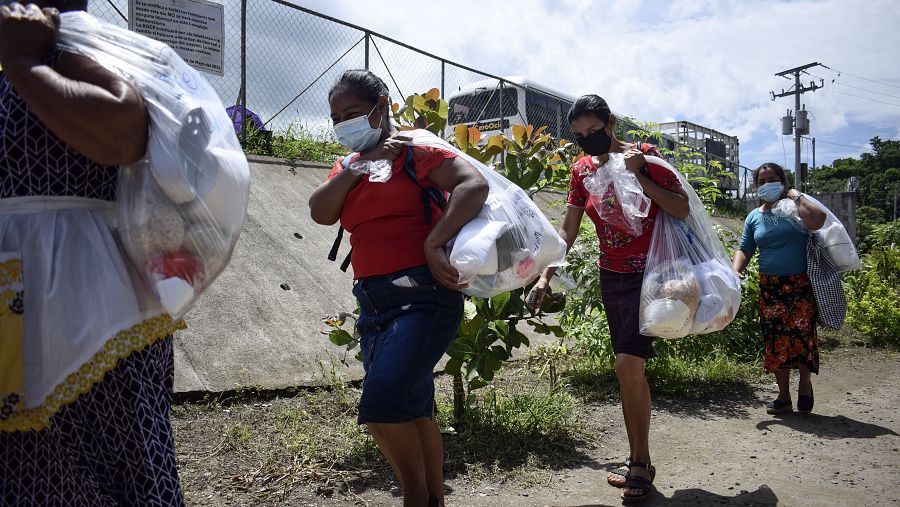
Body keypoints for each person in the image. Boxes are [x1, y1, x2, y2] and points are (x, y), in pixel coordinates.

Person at [0, 1, 186, 505]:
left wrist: (24, 64)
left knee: (110, 458)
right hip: (24, 294)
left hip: (89, 304)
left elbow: (121, 132)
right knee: (29, 463)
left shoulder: (74, 45)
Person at [309, 69, 488, 507]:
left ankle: (415, 498)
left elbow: (473, 184)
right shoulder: (348, 165)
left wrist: (434, 241)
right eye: (336, 117)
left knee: (381, 409)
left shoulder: (417, 151)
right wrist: (359, 166)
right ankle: (433, 500)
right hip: (372, 301)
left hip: (424, 295)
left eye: (352, 113)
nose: (343, 123)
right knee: (415, 408)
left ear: (381, 106)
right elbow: (320, 211)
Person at [527, 94, 689, 503]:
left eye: (594, 132)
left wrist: (642, 177)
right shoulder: (580, 171)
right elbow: (567, 231)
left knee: (626, 364)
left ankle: (638, 463)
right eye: (580, 136)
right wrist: (546, 276)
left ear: (610, 123)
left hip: (657, 273)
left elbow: (681, 208)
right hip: (613, 277)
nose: (588, 141)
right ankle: (642, 460)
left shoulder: (645, 155)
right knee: (629, 370)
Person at [732, 163, 826, 416]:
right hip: (770, 285)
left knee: (803, 336)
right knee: (775, 340)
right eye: (762, 181)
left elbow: (818, 220)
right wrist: (736, 270)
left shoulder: (795, 208)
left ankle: (804, 385)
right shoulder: (754, 216)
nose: (767, 184)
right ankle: (783, 396)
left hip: (800, 283)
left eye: (772, 179)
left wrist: (795, 195)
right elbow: (745, 247)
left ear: (783, 182)